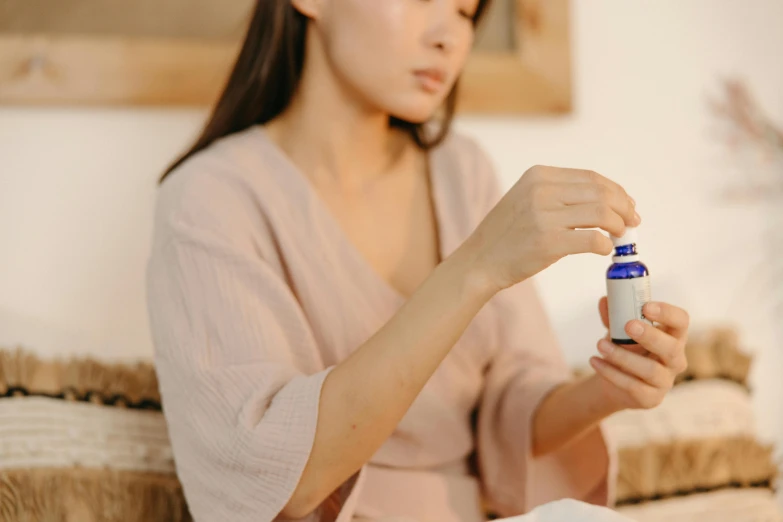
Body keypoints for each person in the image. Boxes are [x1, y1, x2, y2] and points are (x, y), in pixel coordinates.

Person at [145, 0, 690, 521]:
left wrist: (607, 390)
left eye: (466, 11)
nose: (450, 36)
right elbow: (284, 476)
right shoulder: (209, 198)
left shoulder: (462, 173)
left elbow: (513, 406)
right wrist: (477, 265)